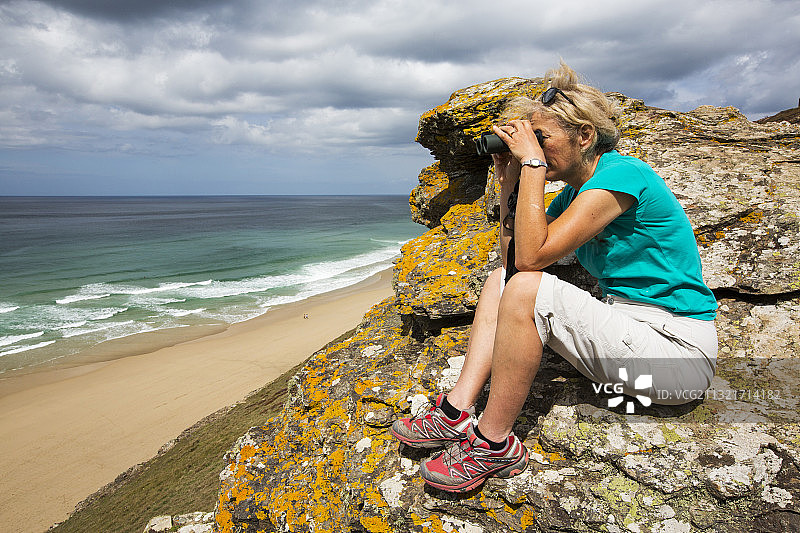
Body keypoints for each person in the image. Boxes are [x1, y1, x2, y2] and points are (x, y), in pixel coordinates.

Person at [391, 62, 718, 493]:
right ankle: (454, 412)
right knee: (500, 281)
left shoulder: (622, 174)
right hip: (631, 344)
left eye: (542, 138)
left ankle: (494, 444)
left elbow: (532, 260)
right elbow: (512, 260)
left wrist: (529, 164)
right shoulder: (573, 194)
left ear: (585, 136)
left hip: (676, 361)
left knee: (526, 287)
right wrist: (509, 181)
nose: (538, 151)